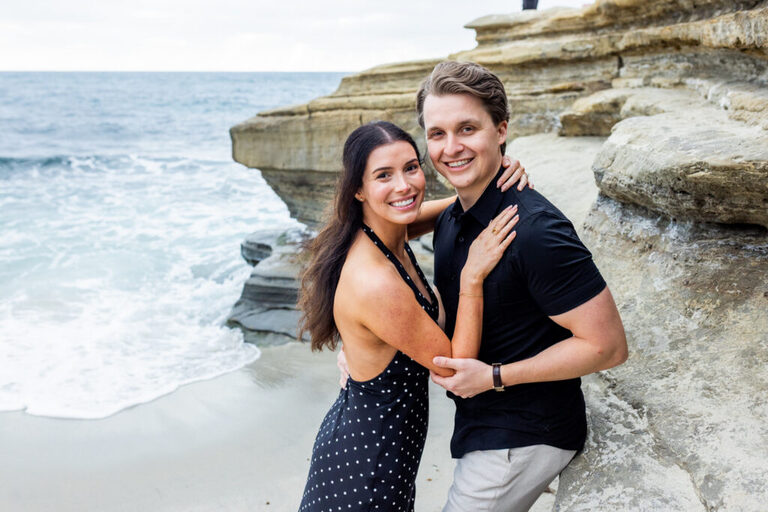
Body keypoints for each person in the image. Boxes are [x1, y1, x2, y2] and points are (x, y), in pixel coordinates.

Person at [416, 61, 628, 511]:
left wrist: (494, 376)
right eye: (437, 134)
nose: (451, 147)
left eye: (468, 129)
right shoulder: (453, 219)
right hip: (483, 427)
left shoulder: (535, 231)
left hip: (527, 435)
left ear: (501, 130)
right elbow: (374, 223)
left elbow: (608, 346)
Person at [296, 120, 529, 511]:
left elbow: (455, 208)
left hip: (371, 448)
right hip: (367, 470)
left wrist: (498, 176)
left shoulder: (386, 231)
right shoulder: (375, 282)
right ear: (358, 189)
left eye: (410, 167)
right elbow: (456, 370)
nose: (404, 186)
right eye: (383, 175)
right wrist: (472, 275)